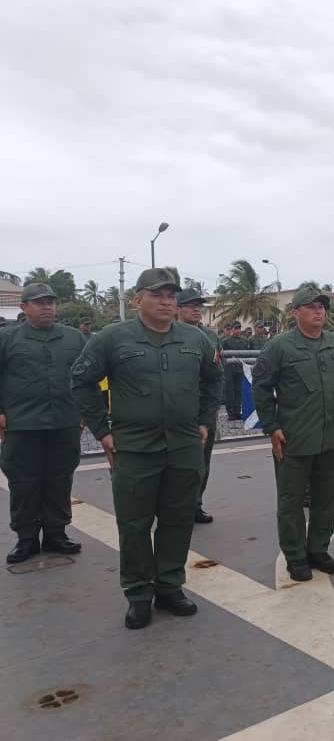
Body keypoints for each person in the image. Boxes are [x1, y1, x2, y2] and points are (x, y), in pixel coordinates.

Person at [71, 268, 222, 629]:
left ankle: (170, 586)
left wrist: (204, 421)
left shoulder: (196, 339)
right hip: (135, 447)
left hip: (184, 445)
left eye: (172, 295)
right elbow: (81, 381)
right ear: (138, 299)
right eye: (158, 295)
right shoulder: (112, 338)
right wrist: (103, 431)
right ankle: (138, 593)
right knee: (135, 524)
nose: (167, 301)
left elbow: (213, 382)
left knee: (177, 519)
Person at [252, 287, 334, 579]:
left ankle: (318, 550)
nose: (318, 311)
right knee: (291, 499)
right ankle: (296, 555)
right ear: (295, 313)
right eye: (310, 307)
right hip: (295, 437)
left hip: (332, 436)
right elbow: (260, 388)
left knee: (326, 496)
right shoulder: (280, 347)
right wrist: (271, 426)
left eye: (322, 306)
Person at [1, 283, 87, 564]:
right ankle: (26, 539)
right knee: (24, 484)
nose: (47, 307)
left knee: (59, 481)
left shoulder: (74, 338)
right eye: (39, 302)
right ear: (24, 307)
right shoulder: (7, 339)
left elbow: (87, 378)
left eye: (50, 302)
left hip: (64, 422)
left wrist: (86, 411)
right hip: (22, 425)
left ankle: (56, 534)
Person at [176, 289, 223, 524]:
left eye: (199, 305)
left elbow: (216, 374)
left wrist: (212, 407)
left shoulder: (210, 338)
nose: (196, 309)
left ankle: (196, 504)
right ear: (178, 308)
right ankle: (177, 506)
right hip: (176, 409)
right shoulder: (170, 333)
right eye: (190, 305)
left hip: (203, 408)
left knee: (202, 461)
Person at [220, 321, 250, 420]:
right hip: (229, 369)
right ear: (232, 329)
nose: (237, 330)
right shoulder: (225, 341)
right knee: (230, 391)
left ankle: (237, 411)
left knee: (239, 391)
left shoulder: (245, 341)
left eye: (239, 328)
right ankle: (231, 413)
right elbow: (222, 355)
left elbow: (247, 354)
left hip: (240, 369)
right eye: (235, 328)